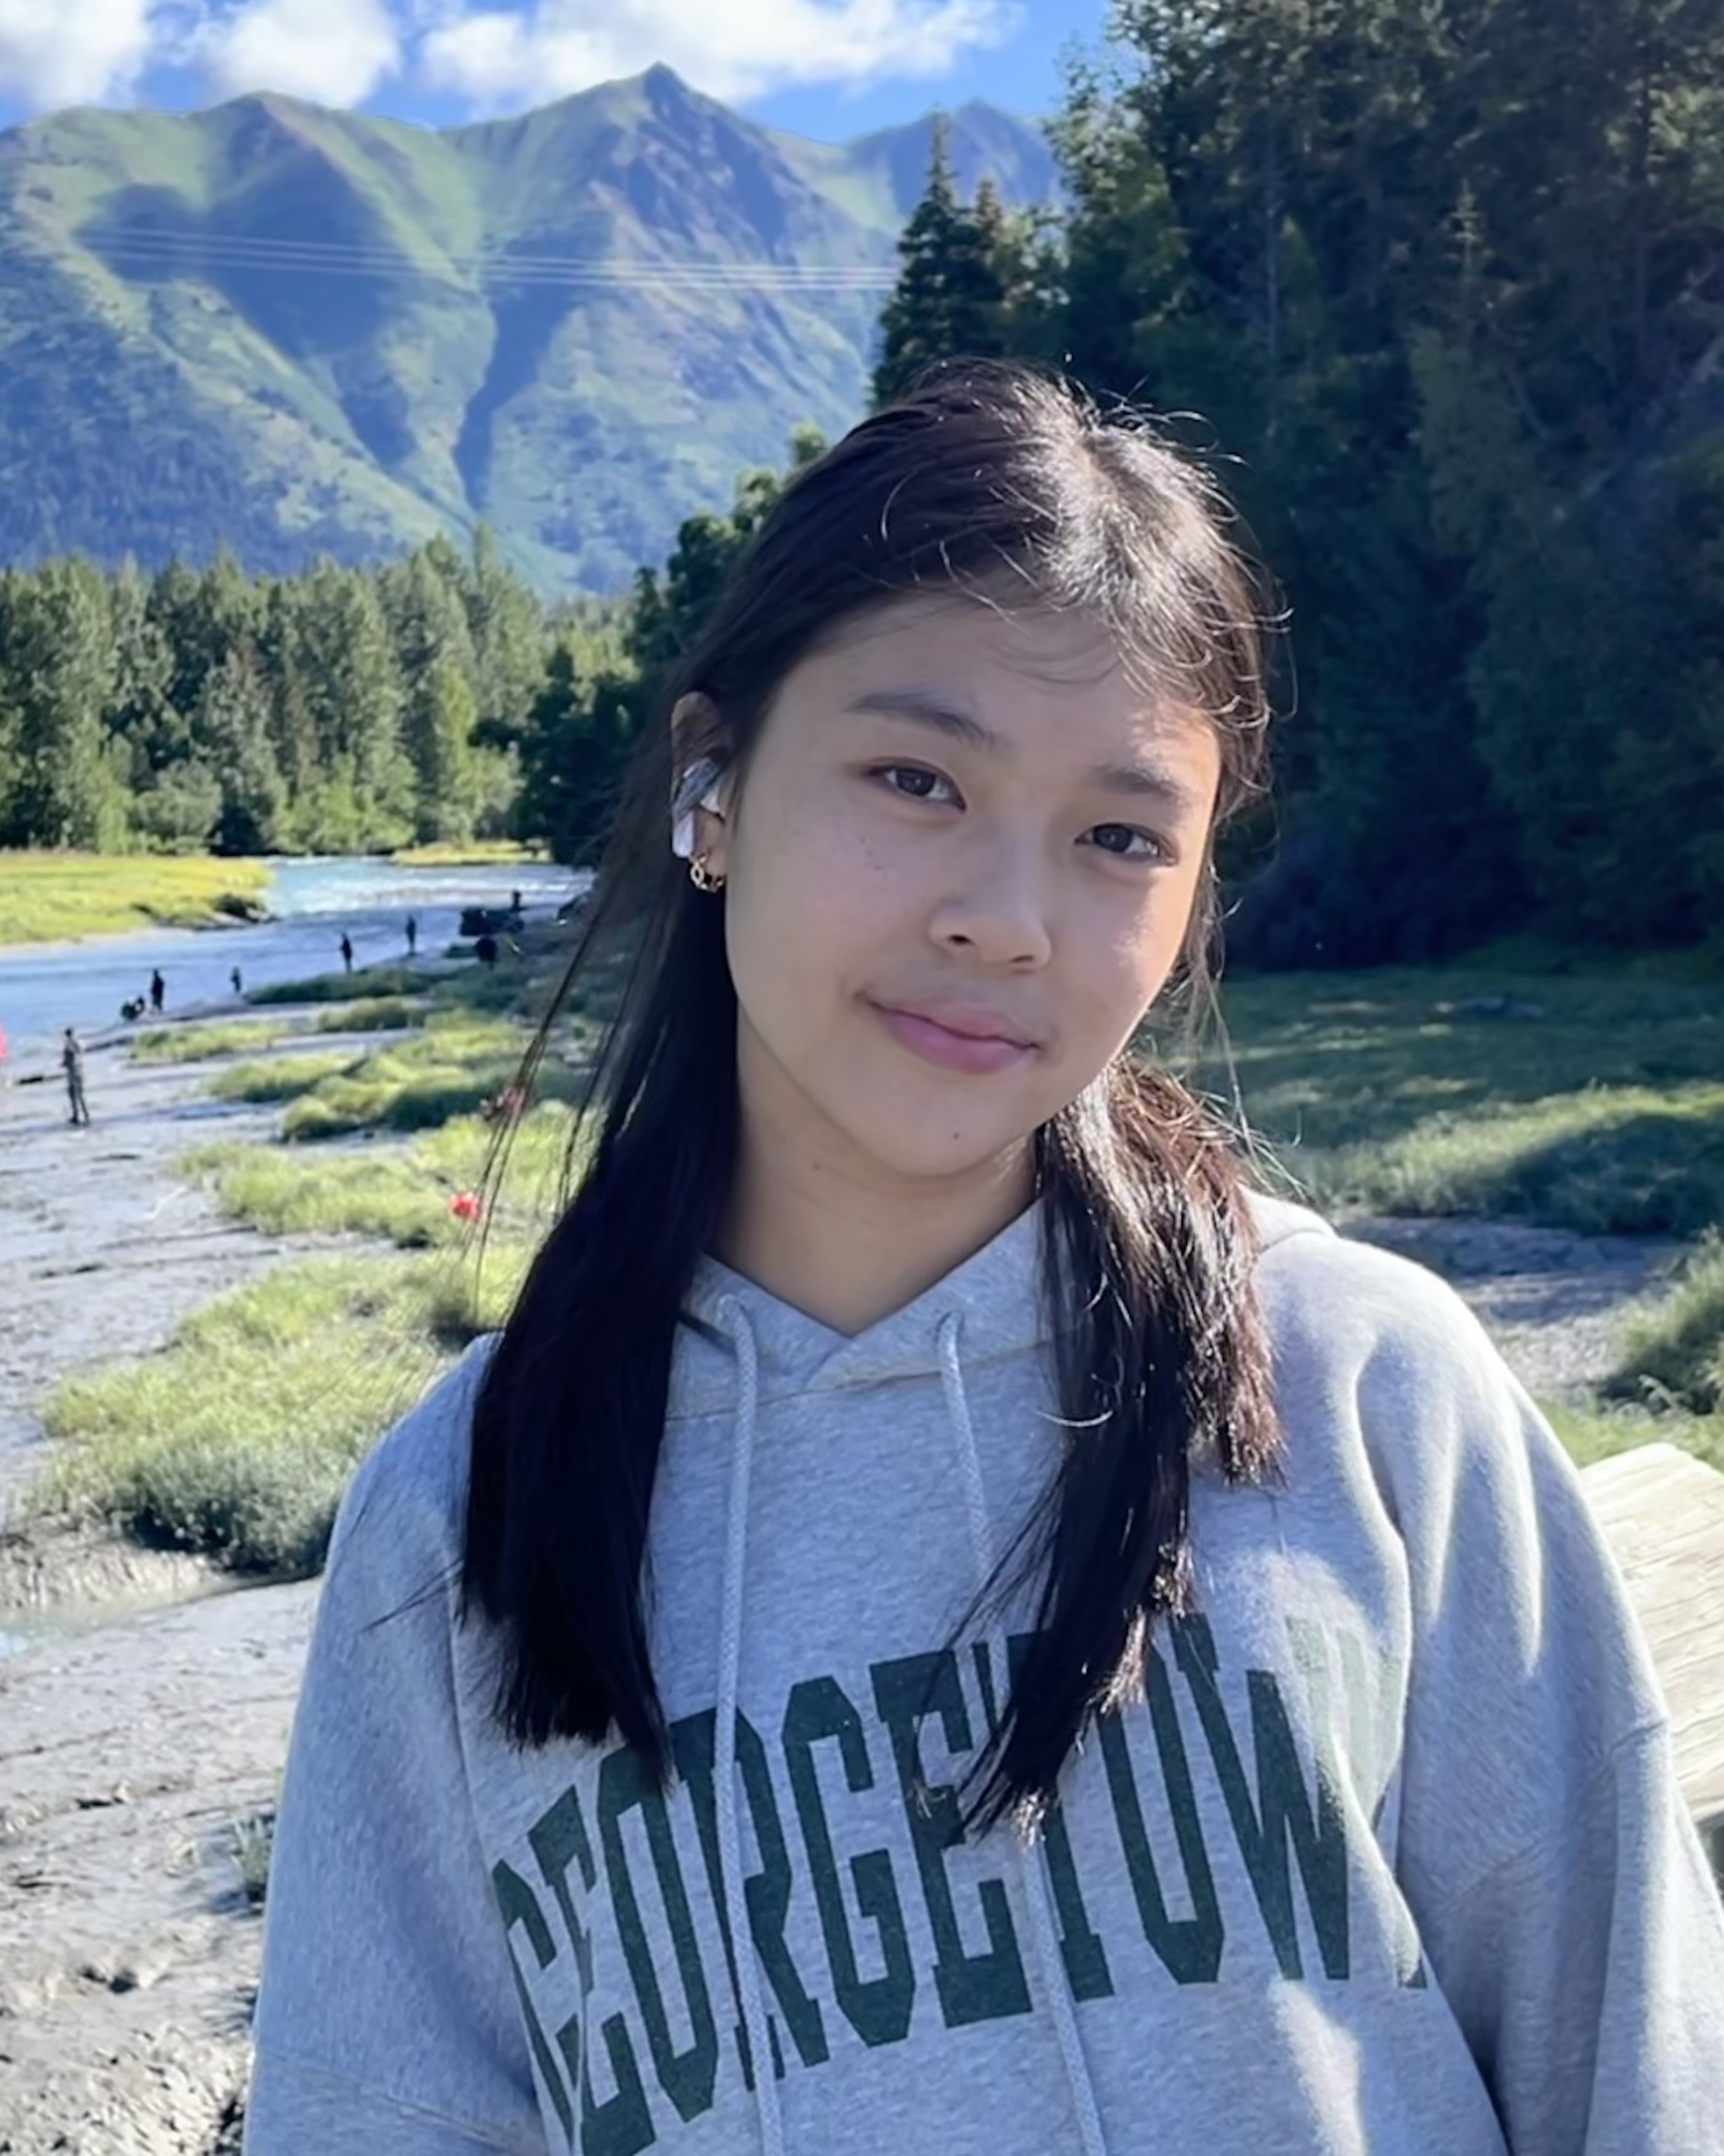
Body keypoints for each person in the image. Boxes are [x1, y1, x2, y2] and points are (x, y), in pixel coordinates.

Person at [244, 362, 1724, 2156]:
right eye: (914, 778)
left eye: (1118, 837)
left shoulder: (1361, 1396)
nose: (1005, 921)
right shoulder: (463, 1511)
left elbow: (1637, 2073)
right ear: (713, 785)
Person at [61, 1027, 89, 1126]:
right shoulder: (74, 1044)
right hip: (74, 1073)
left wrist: (66, 1061)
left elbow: (74, 1057)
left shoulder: (73, 1044)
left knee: (78, 1095)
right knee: (73, 1094)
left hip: (75, 1073)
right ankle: (77, 1116)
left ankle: (85, 1116)